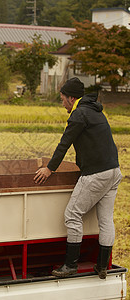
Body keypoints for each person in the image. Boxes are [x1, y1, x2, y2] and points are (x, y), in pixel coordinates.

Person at [34, 77, 122, 279]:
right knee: (106, 220)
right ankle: (102, 266)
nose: (62, 103)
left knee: (72, 214)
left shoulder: (79, 114)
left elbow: (64, 143)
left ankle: (70, 265)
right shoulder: (95, 111)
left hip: (97, 174)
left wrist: (49, 169)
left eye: (62, 98)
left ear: (71, 98)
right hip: (113, 171)